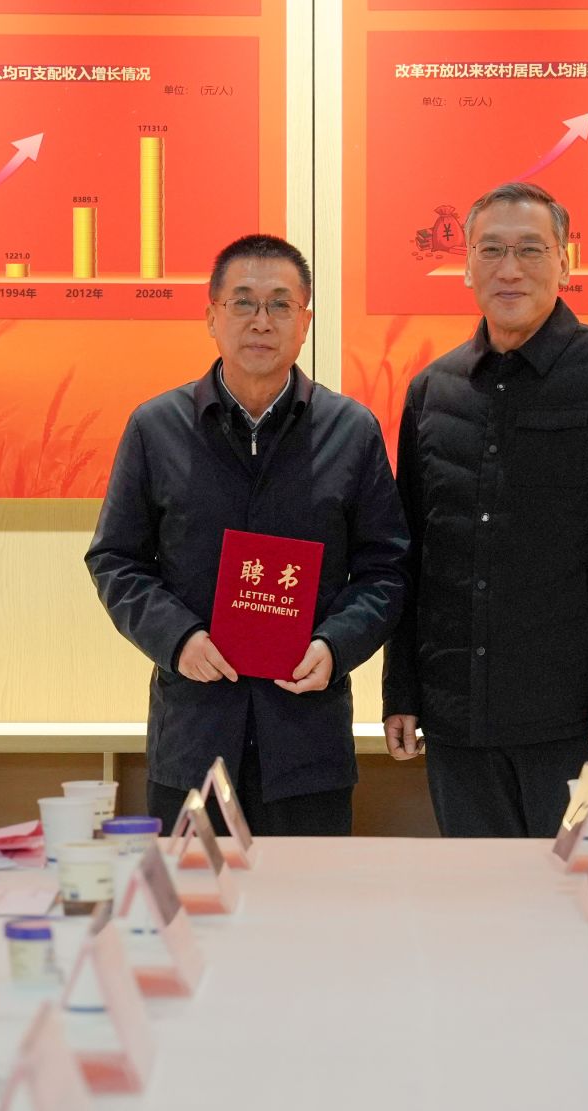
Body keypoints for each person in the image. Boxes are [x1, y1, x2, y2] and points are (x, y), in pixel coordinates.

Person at [380, 182, 588, 837]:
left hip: (577, 720)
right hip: (456, 716)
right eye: (490, 250)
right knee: (479, 892)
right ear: (466, 265)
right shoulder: (433, 391)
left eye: (530, 250)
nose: (509, 269)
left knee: (579, 891)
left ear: (565, 262)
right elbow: (413, 559)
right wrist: (401, 690)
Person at [86, 235, 408, 834]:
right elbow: (116, 559)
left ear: (305, 322)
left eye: (281, 304)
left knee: (306, 895)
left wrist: (335, 646)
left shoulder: (350, 430)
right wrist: (178, 639)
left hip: (307, 741)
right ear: (212, 316)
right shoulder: (156, 428)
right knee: (192, 895)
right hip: (193, 737)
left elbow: (385, 569)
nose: (262, 321)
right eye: (243, 303)